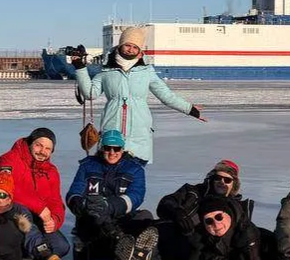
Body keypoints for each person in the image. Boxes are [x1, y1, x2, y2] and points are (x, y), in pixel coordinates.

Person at [73, 25, 204, 164]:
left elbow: (166, 95)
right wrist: (80, 68)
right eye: (127, 45)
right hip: (112, 134)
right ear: (120, 45)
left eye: (135, 47)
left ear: (140, 50)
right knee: (108, 179)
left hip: (139, 135)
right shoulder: (107, 70)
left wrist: (189, 109)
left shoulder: (147, 72)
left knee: (134, 179)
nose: (130, 50)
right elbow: (90, 94)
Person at [65, 129, 155, 260]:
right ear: (101, 148)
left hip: (120, 218)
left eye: (117, 148)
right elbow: (74, 192)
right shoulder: (87, 165)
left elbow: (136, 196)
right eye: (107, 148)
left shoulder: (135, 168)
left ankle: (126, 251)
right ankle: (120, 248)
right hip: (93, 220)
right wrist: (82, 204)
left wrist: (110, 206)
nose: (112, 152)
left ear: (122, 148)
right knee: (95, 216)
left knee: (146, 217)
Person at [0, 127, 69, 260]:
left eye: (47, 148)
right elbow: (4, 189)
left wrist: (55, 220)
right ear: (30, 143)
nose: (42, 151)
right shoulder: (9, 159)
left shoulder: (51, 171)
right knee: (22, 210)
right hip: (7, 210)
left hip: (35, 216)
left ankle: (23, 248)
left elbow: (56, 201)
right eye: (39, 145)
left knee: (61, 247)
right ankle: (42, 253)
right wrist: (39, 207)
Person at [154, 159, 249, 260]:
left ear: (233, 184)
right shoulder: (193, 192)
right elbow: (166, 203)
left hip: (201, 250)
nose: (222, 182)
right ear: (211, 179)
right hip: (175, 235)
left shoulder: (238, 208)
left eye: (227, 180)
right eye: (218, 178)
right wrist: (177, 212)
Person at [185, 195, 264, 260]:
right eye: (209, 221)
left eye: (219, 217)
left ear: (229, 215)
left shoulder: (246, 233)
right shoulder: (200, 235)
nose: (216, 224)